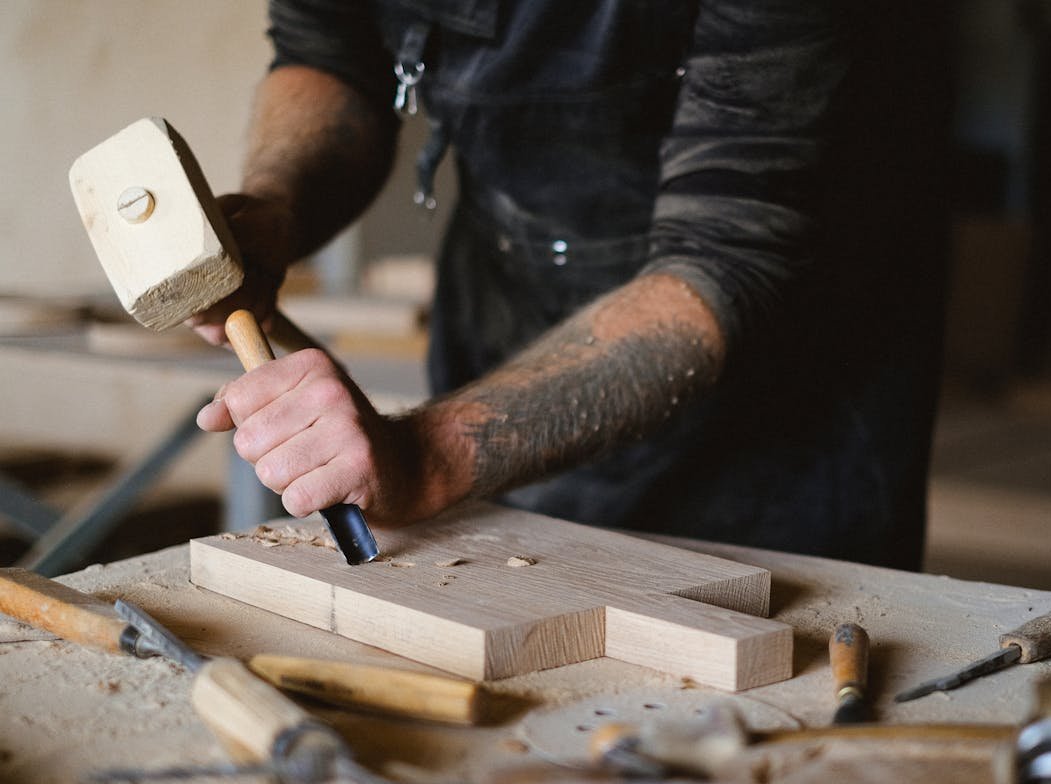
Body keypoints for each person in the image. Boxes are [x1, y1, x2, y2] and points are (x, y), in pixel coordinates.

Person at [193, 1, 953, 570]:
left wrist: (429, 456)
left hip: (783, 423)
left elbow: (721, 259)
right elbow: (328, 51)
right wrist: (276, 206)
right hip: (501, 331)